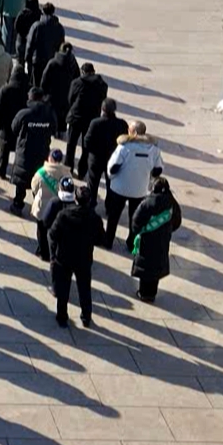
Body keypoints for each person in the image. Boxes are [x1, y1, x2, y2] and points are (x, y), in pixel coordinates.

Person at [44, 188, 101, 328]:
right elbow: (101, 238)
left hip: (64, 257)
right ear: (89, 201)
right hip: (84, 258)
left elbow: (52, 234)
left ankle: (62, 317)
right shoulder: (94, 218)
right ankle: (86, 317)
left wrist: (53, 254)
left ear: (75, 199)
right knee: (84, 288)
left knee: (63, 289)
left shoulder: (64, 215)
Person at [105, 121, 163, 249]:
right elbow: (158, 169)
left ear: (134, 132)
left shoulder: (124, 147)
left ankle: (108, 241)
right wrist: (148, 178)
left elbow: (112, 168)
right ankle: (131, 243)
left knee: (113, 216)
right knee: (135, 218)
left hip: (120, 188)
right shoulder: (154, 150)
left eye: (129, 129)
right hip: (140, 190)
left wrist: (112, 178)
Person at [130, 176, 183, 303]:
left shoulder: (147, 203)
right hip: (163, 239)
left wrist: (139, 232)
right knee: (157, 266)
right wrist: (168, 230)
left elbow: (136, 222)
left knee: (145, 265)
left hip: (147, 239)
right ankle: (152, 293)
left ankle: (143, 293)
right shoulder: (171, 202)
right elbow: (177, 221)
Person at [64, 61, 108, 170]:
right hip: (92, 118)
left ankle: (69, 167)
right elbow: (103, 99)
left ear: (82, 72)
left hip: (76, 117)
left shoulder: (77, 83)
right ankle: (82, 169)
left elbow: (70, 99)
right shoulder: (102, 84)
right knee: (86, 146)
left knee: (71, 144)